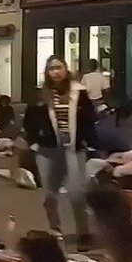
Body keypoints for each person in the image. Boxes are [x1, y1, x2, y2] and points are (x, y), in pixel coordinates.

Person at [23, 56, 97, 247]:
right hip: (47, 150)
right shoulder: (40, 95)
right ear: (47, 72)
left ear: (66, 69)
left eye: (59, 68)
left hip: (74, 149)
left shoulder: (79, 92)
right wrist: (34, 142)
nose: (55, 72)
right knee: (50, 194)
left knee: (76, 192)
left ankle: (83, 233)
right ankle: (55, 230)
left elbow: (90, 119)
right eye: (51, 69)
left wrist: (88, 142)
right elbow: (29, 120)